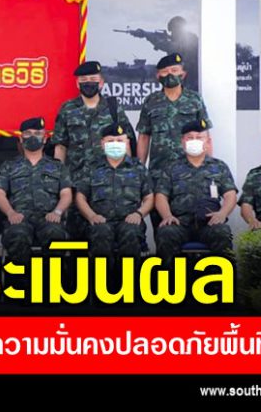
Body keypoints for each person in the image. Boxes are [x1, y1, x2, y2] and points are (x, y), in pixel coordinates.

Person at [52, 60, 136, 240]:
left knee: (105, 232)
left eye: (93, 79)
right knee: (75, 235)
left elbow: (126, 141)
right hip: (76, 179)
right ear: (77, 83)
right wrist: (60, 177)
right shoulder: (67, 109)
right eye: (84, 80)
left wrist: (128, 173)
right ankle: (76, 259)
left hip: (106, 181)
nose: (88, 83)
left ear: (101, 82)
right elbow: (60, 145)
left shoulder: (113, 108)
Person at [137, 52, 212, 231]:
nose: (170, 74)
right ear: (158, 76)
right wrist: (140, 167)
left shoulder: (194, 99)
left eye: (174, 70)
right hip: (158, 171)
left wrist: (209, 164)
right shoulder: (151, 101)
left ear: (183, 74)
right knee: (162, 226)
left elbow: (205, 135)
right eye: (165, 71)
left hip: (190, 170)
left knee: (196, 221)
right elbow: (144, 136)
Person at [154, 118, 237, 263]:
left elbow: (230, 194)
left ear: (208, 142)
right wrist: (167, 216)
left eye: (199, 138)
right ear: (183, 141)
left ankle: (219, 277)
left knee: (222, 233)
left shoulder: (219, 166)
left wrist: (222, 213)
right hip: (180, 223)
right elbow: (161, 196)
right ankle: (171, 277)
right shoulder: (171, 167)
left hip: (209, 222)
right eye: (190, 138)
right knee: (166, 233)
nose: (194, 141)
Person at [0, 117, 72, 265]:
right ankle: (22, 278)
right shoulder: (9, 166)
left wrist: (57, 212)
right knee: (17, 236)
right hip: (19, 218)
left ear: (45, 138)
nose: (33, 137)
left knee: (55, 236)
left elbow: (66, 194)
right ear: (21, 138)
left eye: (37, 133)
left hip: (49, 218)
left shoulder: (58, 167)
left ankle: (51, 278)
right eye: (28, 133)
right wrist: (10, 213)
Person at [75, 123, 153, 261]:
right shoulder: (91, 167)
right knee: (100, 232)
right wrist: (91, 216)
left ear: (127, 142)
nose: (115, 144)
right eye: (111, 141)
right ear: (102, 143)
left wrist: (139, 214)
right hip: (100, 221)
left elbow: (149, 197)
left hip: (130, 220)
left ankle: (129, 275)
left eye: (120, 140)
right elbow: (80, 197)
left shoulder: (138, 168)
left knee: (131, 232)